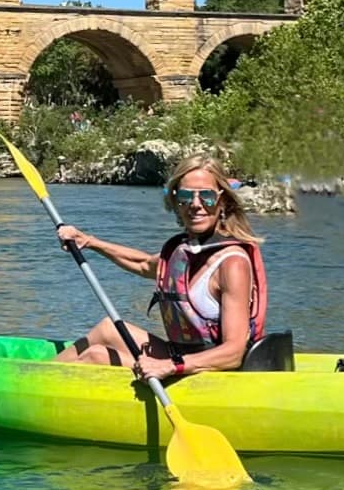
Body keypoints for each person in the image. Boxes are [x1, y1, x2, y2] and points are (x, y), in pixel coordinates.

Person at [54, 152, 267, 381]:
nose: (196, 205)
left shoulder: (232, 264)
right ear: (175, 201)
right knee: (109, 329)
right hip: (179, 356)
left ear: (222, 200)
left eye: (206, 196)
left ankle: (41, 393)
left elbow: (233, 353)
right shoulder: (182, 251)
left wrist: (169, 366)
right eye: (186, 196)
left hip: (209, 372)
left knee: (97, 356)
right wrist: (90, 241)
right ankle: (35, 375)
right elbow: (144, 264)